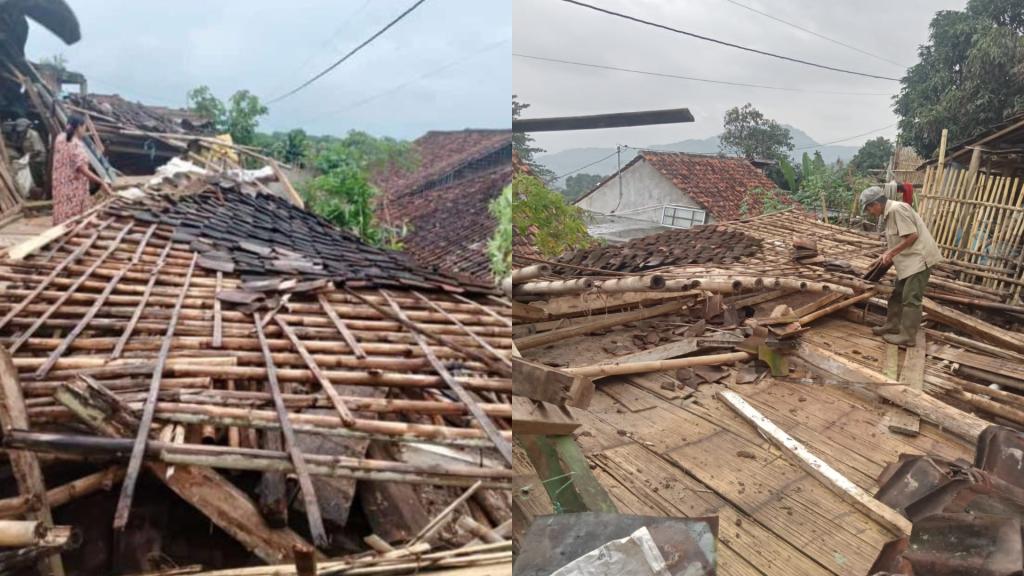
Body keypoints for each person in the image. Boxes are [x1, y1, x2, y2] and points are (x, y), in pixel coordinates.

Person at [860, 186, 942, 347]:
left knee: (911, 298)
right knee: (897, 294)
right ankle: (893, 325)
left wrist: (890, 253)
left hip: (919, 259)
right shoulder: (889, 214)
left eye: (869, 208)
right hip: (909, 261)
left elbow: (912, 235)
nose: (870, 212)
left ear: (876, 204)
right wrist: (886, 255)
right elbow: (899, 239)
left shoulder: (897, 210)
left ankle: (908, 336)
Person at [51, 115, 110, 225]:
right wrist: (101, 182)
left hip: (60, 185)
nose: (85, 131)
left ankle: (60, 229)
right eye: (84, 128)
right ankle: (71, 230)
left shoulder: (60, 138)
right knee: (74, 216)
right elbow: (82, 169)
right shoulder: (76, 144)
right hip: (74, 187)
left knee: (62, 210)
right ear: (79, 127)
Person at [11, 118, 46, 191]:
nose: (21, 132)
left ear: (27, 128)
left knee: (32, 168)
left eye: (23, 130)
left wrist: (28, 157)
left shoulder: (34, 134)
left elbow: (38, 151)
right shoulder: (21, 135)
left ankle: (39, 186)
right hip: (29, 156)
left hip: (38, 157)